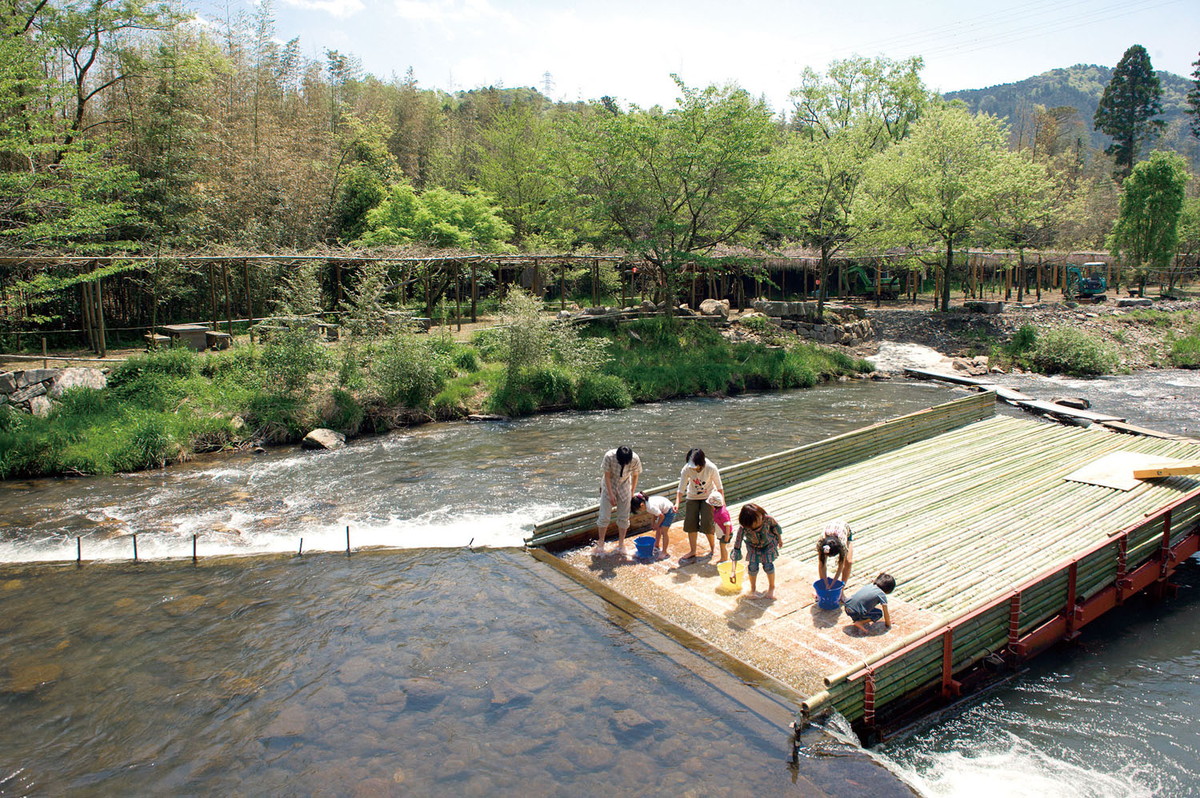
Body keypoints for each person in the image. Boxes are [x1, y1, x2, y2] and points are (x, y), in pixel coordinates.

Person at [674, 448, 724, 564]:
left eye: (696, 466)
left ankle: (712, 549)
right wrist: (677, 503)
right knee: (691, 524)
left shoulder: (711, 467)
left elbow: (720, 487)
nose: (694, 468)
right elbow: (681, 488)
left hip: (709, 498)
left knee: (707, 523)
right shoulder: (686, 469)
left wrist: (722, 505)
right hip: (692, 497)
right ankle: (693, 551)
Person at [730, 503, 783, 599]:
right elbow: (736, 547)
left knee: (768, 566)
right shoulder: (743, 528)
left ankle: (771, 587)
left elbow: (776, 528)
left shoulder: (767, 519)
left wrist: (779, 539)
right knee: (752, 567)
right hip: (753, 548)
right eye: (756, 521)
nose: (760, 520)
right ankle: (753, 589)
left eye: (760, 517)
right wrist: (733, 571)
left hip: (768, 545)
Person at [596, 446, 641, 555]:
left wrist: (632, 492)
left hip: (625, 486)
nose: (624, 465)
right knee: (604, 516)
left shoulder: (635, 459)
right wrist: (611, 495)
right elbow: (606, 476)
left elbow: (635, 476)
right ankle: (601, 543)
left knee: (624, 518)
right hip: (609, 485)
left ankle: (621, 544)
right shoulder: (609, 456)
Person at [631, 493, 676, 558]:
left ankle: (664, 552)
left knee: (664, 531)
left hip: (669, 511)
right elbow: (655, 513)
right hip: (663, 510)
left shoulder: (650, 507)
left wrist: (657, 525)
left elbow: (662, 516)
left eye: (639, 510)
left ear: (642, 505)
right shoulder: (646, 503)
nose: (640, 511)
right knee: (658, 529)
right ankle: (656, 545)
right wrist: (653, 523)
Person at [816, 520, 854, 588]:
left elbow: (840, 567)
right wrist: (825, 584)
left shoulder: (842, 544)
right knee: (822, 561)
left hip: (845, 529)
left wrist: (833, 584)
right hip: (831, 527)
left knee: (849, 562)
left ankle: (842, 590)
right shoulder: (820, 542)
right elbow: (822, 564)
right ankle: (823, 586)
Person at [708, 491, 733, 563]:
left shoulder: (722, 513)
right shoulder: (717, 510)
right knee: (722, 545)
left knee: (723, 546)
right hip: (722, 533)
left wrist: (727, 535)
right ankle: (723, 558)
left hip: (725, 533)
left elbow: (727, 524)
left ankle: (724, 559)